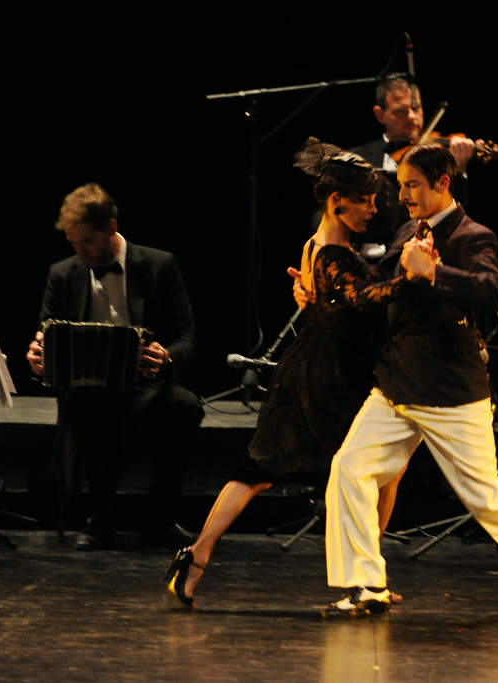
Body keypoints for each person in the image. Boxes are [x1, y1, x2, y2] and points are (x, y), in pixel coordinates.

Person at [323, 144, 498, 616]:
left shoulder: (472, 235)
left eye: (412, 185)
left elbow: (494, 290)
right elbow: (380, 282)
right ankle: (366, 584)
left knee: (483, 494)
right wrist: (325, 286)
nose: (403, 195)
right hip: (397, 384)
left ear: (443, 182)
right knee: (350, 468)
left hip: (448, 392)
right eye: (401, 185)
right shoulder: (408, 229)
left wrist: (435, 271)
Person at [164, 139, 409, 609]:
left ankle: (197, 557)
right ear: (336, 201)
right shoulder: (334, 253)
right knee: (373, 470)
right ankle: (367, 577)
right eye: (365, 201)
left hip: (317, 369)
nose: (374, 209)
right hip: (329, 379)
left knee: (279, 471)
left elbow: (330, 298)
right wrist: (413, 278)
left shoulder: (317, 243)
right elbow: (366, 298)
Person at [26, 183, 203, 550]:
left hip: (147, 387)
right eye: (73, 244)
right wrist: (38, 357)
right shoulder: (63, 273)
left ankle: (159, 518)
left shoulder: (159, 265)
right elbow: (46, 336)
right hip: (88, 388)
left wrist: (166, 356)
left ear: (111, 227)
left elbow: (187, 338)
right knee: (84, 405)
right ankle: (100, 518)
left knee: (186, 406)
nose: (80, 252)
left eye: (87, 242)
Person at [349, 74, 478, 252]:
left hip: (427, 252)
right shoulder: (357, 158)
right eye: (400, 111)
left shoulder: (436, 156)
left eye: (416, 108)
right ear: (380, 114)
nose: (411, 117)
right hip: (370, 257)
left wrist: (458, 169)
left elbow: (455, 218)